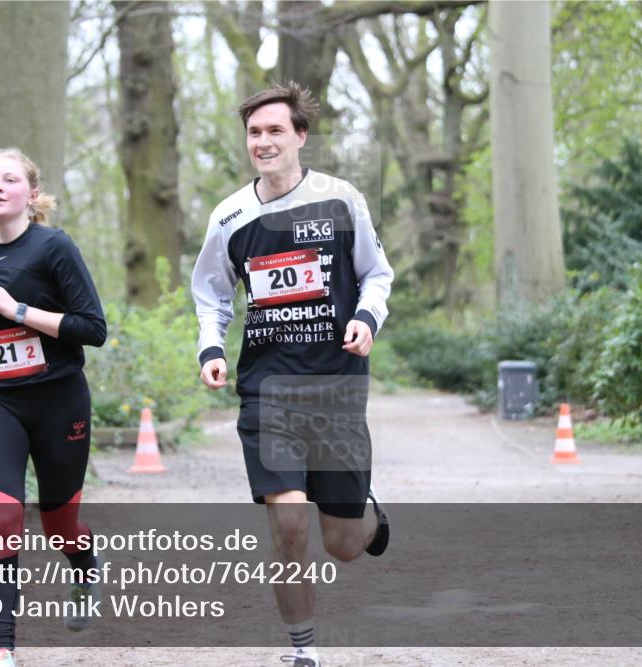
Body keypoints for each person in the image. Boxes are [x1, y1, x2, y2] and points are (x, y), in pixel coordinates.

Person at [191, 82, 394, 667]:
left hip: (336, 386)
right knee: (286, 523)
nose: (264, 141)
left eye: (275, 130)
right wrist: (211, 349)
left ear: (300, 136)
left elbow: (378, 274)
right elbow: (210, 292)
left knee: (342, 545)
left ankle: (368, 520)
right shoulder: (230, 216)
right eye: (254, 132)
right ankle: (303, 651)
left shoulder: (341, 198)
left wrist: (364, 319)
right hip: (268, 389)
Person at [0, 148, 107, 667]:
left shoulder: (54, 247)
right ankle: (2, 648)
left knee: (59, 523)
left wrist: (20, 311)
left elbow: (93, 329)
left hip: (59, 400)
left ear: (31, 194)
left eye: (9, 179)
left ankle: (85, 568)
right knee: (3, 517)